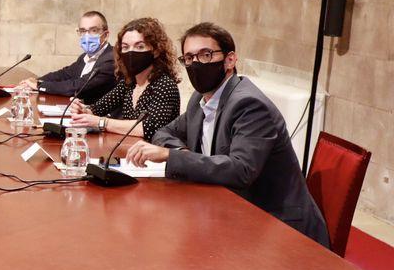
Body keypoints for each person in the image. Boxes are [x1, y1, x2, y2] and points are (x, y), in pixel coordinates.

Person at [126, 23, 331, 248]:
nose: (195, 64)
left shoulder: (249, 105)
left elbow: (241, 170)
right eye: (189, 58)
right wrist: (182, 152)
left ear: (230, 60)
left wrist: (170, 155)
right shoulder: (200, 99)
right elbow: (165, 131)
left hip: (277, 225)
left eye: (205, 55)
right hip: (230, 210)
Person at [68, 17, 181, 140]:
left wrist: (102, 122)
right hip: (127, 152)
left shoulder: (165, 85)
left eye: (139, 46)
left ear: (156, 51)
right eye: (125, 47)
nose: (131, 52)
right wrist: (83, 110)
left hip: (154, 155)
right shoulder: (129, 83)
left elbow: (149, 128)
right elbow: (97, 109)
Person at [16, 11, 116, 103]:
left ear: (106, 35)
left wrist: (39, 86)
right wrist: (36, 81)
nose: (86, 36)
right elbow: (64, 74)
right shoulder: (85, 57)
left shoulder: (111, 59)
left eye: (93, 30)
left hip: (98, 117)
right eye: (83, 31)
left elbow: (78, 86)